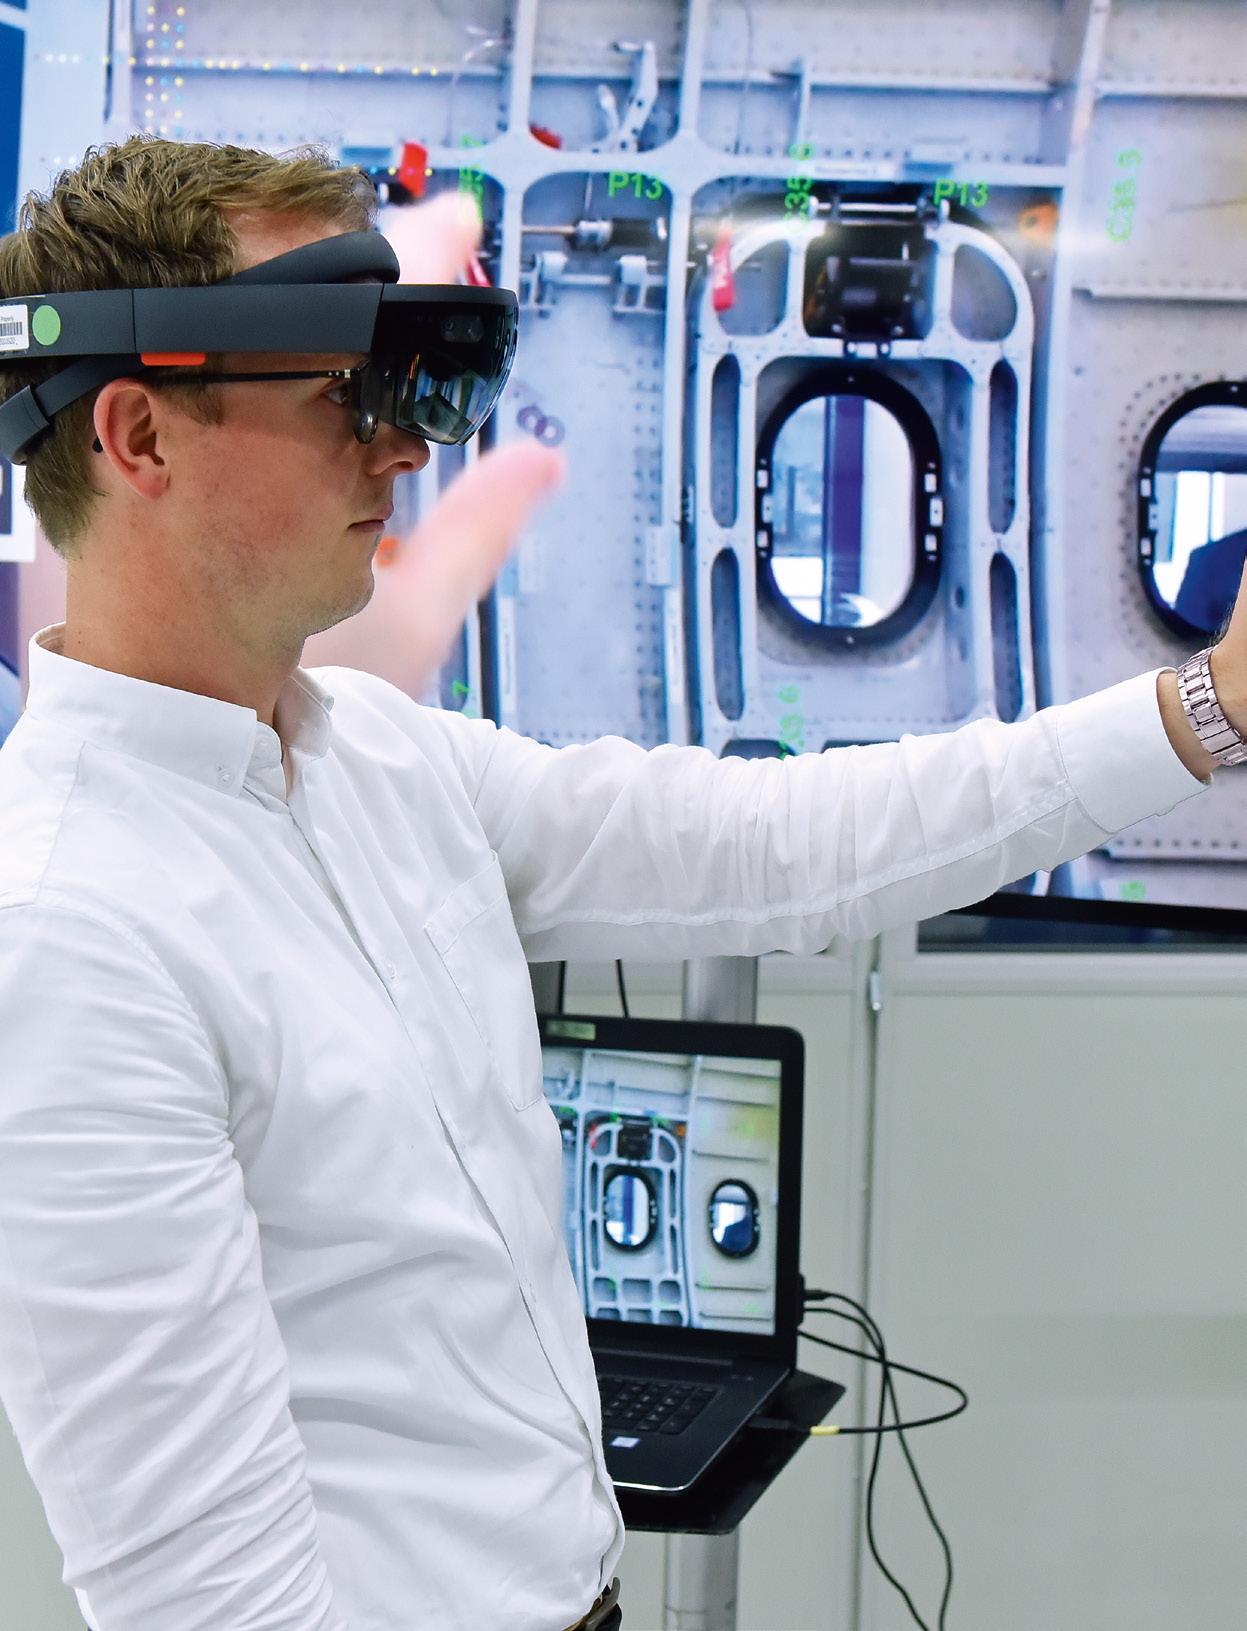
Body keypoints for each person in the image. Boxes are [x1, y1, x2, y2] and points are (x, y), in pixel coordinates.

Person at [0, 134, 1241, 1631]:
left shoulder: (378, 759)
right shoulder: (67, 937)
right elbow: (208, 1602)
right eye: (344, 392)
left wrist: (1208, 707)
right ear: (139, 437)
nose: (403, 448)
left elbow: (784, 851)